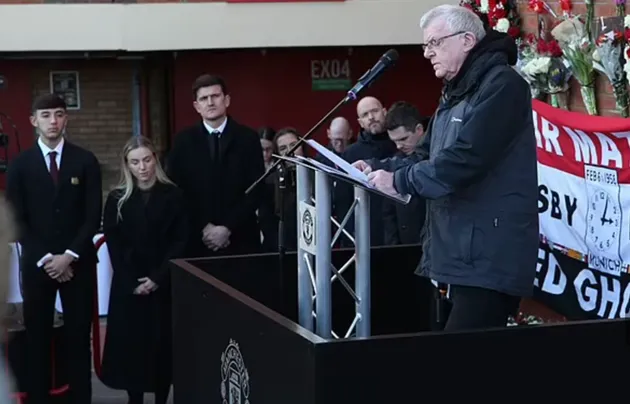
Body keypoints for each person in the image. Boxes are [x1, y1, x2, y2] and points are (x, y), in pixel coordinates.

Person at [355, 5, 538, 331]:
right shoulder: (456, 91)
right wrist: (374, 166)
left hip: (487, 257)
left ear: (467, 40)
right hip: (456, 252)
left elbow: (464, 159)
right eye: (426, 46)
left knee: (461, 368)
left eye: (435, 43)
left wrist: (399, 180)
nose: (427, 54)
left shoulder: (503, 86)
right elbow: (425, 155)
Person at [5, 93, 102, 403]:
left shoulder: (85, 160)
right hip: (38, 266)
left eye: (58, 114)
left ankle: (81, 399)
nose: (53, 121)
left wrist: (69, 256)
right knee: (37, 340)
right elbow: (17, 219)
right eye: (45, 115)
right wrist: (48, 259)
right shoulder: (20, 165)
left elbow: (92, 216)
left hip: (77, 265)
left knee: (77, 340)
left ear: (66, 118)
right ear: (34, 120)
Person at [100, 136, 187, 404]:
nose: (142, 167)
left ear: (155, 160)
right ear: (127, 165)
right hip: (129, 286)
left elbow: (181, 240)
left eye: (147, 160)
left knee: (162, 348)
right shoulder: (117, 199)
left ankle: (162, 399)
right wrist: (132, 281)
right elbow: (114, 245)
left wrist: (158, 278)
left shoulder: (174, 194)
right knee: (131, 349)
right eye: (135, 162)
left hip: (163, 283)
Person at [168, 74, 265, 257]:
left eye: (215, 96)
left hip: (241, 241)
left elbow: (256, 189)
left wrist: (227, 228)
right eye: (204, 98)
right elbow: (177, 189)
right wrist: (204, 226)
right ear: (197, 106)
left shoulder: (248, 138)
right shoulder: (183, 141)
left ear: (226, 100)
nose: (210, 102)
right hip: (196, 242)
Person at [334, 96, 398, 247]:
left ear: (384, 112)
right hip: (367, 234)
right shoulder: (350, 154)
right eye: (365, 114)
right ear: (360, 122)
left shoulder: (400, 143)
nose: (371, 117)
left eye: (375, 111)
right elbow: (343, 202)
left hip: (401, 230)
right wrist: (351, 237)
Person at [381, 101, 429, 246]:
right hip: (405, 248)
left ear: (419, 129)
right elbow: (389, 214)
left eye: (403, 139)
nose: (399, 146)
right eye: (394, 141)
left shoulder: (439, 157)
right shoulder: (397, 160)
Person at [272, 127, 305, 251]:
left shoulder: (318, 176)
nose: (290, 151)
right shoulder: (270, 181)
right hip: (283, 247)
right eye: (283, 148)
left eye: (293, 145)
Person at [257, 127, 279, 252]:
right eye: (261, 150)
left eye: (268, 149)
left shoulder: (279, 169)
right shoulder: (248, 166)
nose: (265, 154)